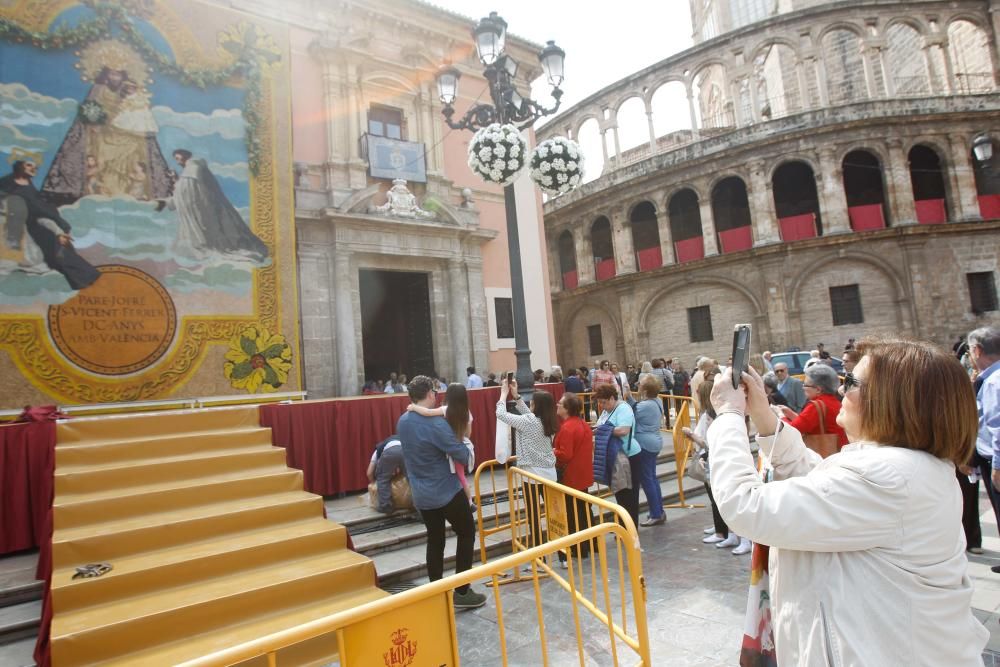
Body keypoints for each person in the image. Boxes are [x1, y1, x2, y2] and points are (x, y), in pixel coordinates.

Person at [707, 340, 988, 665]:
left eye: (851, 382)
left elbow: (746, 507)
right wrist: (762, 415)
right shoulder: (898, 469)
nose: (841, 390)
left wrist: (728, 416)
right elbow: (816, 482)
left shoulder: (891, 476)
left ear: (893, 400)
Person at [397, 375, 486, 609]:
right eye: (434, 393)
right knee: (467, 532)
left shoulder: (403, 421)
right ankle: (462, 591)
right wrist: (466, 441)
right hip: (445, 490)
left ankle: (435, 589)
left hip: (421, 493)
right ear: (429, 394)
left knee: (435, 539)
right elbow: (462, 456)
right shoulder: (436, 424)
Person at [0, 161, 100, 289]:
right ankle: (83, 278)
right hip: (26, 225)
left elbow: (40, 207)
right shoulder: (8, 184)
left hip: (38, 220)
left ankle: (85, 277)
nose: (34, 168)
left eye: (35, 167)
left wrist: (58, 226)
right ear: (19, 166)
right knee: (55, 248)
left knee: (60, 247)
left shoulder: (27, 184)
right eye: (29, 165)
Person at [156, 149, 268, 262]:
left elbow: (187, 190)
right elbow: (186, 189)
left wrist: (175, 186)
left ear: (185, 155)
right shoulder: (191, 170)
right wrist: (176, 180)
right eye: (175, 159)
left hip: (205, 209)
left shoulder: (194, 166)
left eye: (177, 157)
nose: (177, 161)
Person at [684, 377, 749, 554]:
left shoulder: (718, 416)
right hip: (716, 458)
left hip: (723, 459)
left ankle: (739, 535)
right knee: (719, 498)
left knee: (729, 497)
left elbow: (711, 442)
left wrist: (693, 437)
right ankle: (728, 532)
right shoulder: (712, 414)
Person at [496, 378, 558, 548]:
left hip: (531, 475)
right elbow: (528, 414)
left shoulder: (528, 422)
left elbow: (501, 414)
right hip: (549, 473)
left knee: (534, 516)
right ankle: (562, 555)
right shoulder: (549, 420)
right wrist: (516, 396)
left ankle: (539, 556)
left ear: (536, 406)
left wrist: (503, 395)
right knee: (555, 517)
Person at [407, 383, 476, 509]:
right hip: (463, 445)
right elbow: (468, 433)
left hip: (451, 446)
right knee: (461, 475)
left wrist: (414, 407)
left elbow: (427, 412)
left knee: (459, 476)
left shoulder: (446, 409)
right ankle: (470, 501)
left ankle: (469, 502)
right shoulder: (467, 412)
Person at [967, 327, 1000, 570]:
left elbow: (997, 426)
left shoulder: (992, 382)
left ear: (977, 350)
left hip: (995, 460)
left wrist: (997, 465)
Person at [553, 392, 595, 566]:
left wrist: (551, 451)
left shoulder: (567, 428)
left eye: (560, 404)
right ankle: (591, 544)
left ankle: (579, 548)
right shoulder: (582, 424)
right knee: (584, 510)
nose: (557, 405)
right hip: (583, 473)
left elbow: (565, 455)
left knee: (573, 514)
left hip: (572, 476)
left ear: (567, 408)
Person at [594, 383, 641, 527]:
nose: (602, 405)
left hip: (629, 456)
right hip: (614, 457)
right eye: (600, 403)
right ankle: (623, 527)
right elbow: (600, 425)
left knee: (629, 496)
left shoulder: (623, 408)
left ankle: (631, 531)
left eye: (604, 402)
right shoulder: (607, 411)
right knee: (620, 494)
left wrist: (603, 430)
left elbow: (624, 430)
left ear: (612, 398)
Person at [777, 364, 848, 451]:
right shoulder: (834, 401)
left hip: (826, 456)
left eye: (805, 385)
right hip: (840, 450)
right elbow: (809, 423)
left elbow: (792, 431)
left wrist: (781, 416)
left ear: (818, 389)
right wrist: (790, 414)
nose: (803, 388)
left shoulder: (816, 406)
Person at [633, 375, 666, 526]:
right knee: (652, 478)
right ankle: (659, 511)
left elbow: (632, 413)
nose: (638, 385)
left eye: (640, 384)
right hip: (654, 442)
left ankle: (656, 514)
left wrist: (627, 397)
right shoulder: (657, 401)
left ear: (645, 389)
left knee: (647, 480)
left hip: (645, 445)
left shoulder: (646, 405)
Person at [366, 434, 405, 514]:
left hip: (390, 453)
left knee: (382, 479)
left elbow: (369, 473)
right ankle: (420, 509)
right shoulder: (402, 438)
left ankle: (386, 507)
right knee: (413, 478)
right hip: (406, 450)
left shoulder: (378, 450)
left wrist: (374, 483)